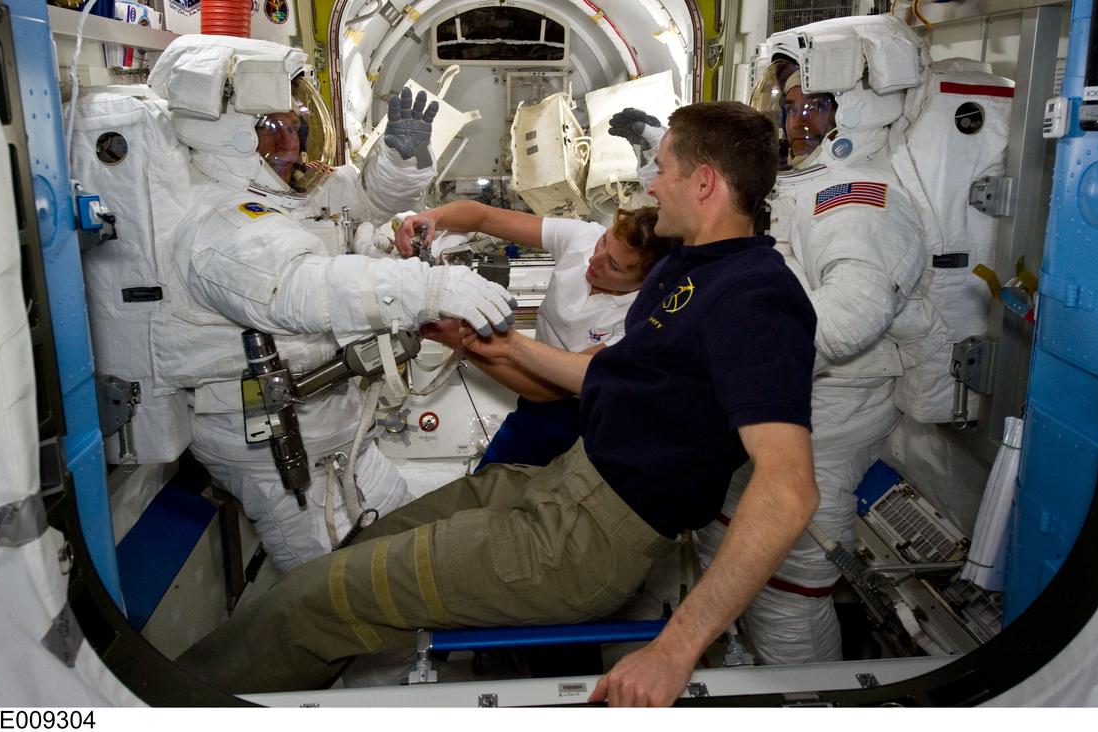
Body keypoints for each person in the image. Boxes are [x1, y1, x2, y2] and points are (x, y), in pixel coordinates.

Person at [177, 100, 819, 707]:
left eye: (664, 168)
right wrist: (491, 342)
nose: (651, 183)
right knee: (353, 553)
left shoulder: (756, 298)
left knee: (314, 601)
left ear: (704, 183)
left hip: (586, 541)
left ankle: (162, 704)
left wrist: (675, 649)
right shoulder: (687, 270)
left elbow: (789, 490)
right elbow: (604, 380)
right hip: (562, 481)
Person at [144, 34, 516, 572]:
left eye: (296, 126)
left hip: (334, 430)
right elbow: (300, 286)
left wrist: (398, 160)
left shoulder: (284, 193)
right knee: (338, 589)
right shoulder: (220, 224)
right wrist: (428, 290)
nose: (291, 143)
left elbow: (359, 202)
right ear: (227, 136)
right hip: (281, 450)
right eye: (273, 129)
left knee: (398, 541)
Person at [690, 14, 938, 665]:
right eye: (790, 104)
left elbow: (853, 313)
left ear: (857, 111)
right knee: (719, 550)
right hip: (777, 411)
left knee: (784, 589)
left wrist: (737, 361)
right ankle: (741, 678)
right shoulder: (800, 188)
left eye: (817, 107)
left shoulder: (859, 199)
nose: (798, 121)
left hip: (829, 414)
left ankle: (806, 699)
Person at [392, 200, 677, 469]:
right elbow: (483, 217)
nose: (594, 258)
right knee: (491, 480)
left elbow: (545, 391)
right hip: (538, 401)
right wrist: (433, 216)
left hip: (583, 412)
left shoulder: (641, 320)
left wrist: (457, 339)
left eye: (613, 265)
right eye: (604, 241)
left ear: (649, 282)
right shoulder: (583, 238)